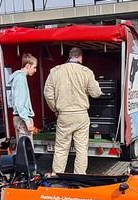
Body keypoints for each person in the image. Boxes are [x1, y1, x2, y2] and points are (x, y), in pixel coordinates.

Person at [44, 47, 102, 175]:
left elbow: (47, 94)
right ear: (80, 57)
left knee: (61, 148)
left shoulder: (55, 71)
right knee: (81, 148)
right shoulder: (86, 72)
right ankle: (79, 176)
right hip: (81, 115)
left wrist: (55, 108)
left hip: (64, 115)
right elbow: (96, 93)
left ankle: (57, 175)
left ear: (69, 56)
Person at [7, 53, 37, 145]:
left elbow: (13, 100)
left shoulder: (17, 77)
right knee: (26, 149)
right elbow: (20, 103)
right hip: (23, 119)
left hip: (19, 118)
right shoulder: (20, 78)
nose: (35, 70)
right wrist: (27, 121)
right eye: (34, 67)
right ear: (28, 66)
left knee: (22, 148)